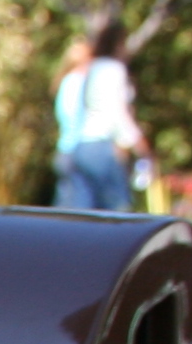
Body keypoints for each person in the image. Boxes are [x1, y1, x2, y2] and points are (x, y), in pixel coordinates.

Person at [55, 23, 143, 211]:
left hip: (77, 148)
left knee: (79, 210)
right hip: (98, 145)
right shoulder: (111, 69)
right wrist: (136, 142)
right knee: (115, 208)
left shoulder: (87, 72)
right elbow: (117, 112)